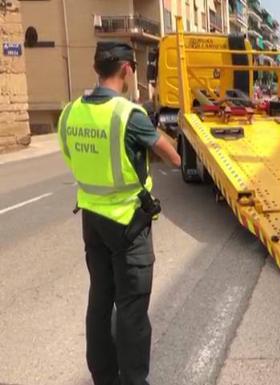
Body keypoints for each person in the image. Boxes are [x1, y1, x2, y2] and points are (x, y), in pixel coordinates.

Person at [57, 41, 181, 385]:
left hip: (92, 220)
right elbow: (172, 157)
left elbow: (72, 156)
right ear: (126, 69)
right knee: (131, 309)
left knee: (100, 300)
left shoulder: (70, 112)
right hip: (128, 223)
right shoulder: (128, 115)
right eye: (133, 70)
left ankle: (103, 376)